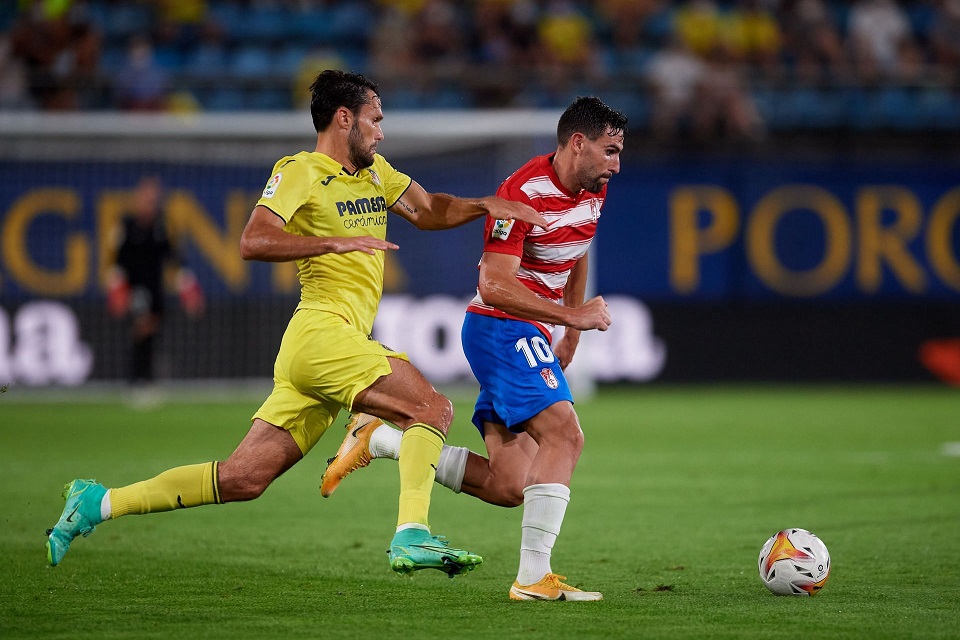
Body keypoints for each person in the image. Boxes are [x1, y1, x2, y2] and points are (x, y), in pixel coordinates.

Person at [45, 70, 548, 577]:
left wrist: (484, 204)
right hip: (321, 332)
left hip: (328, 347)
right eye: (375, 119)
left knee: (243, 479)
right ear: (344, 118)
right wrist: (328, 242)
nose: (381, 131)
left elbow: (427, 209)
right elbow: (253, 240)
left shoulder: (375, 174)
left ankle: (99, 503)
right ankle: (411, 533)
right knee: (431, 408)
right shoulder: (300, 171)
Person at [320, 96, 626, 600]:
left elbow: (576, 251)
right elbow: (493, 285)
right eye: (610, 151)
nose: (617, 163)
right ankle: (532, 578)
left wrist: (570, 333)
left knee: (510, 484)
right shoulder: (522, 191)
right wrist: (573, 316)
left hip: (529, 332)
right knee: (565, 436)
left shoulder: (593, 189)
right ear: (578, 143)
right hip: (500, 328)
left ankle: (380, 440)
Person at [106, 174, 204, 385]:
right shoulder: (127, 225)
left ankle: (143, 379)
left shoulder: (161, 226)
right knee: (142, 327)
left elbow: (174, 259)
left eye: (154, 200)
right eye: (147, 199)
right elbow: (117, 262)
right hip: (135, 288)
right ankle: (138, 379)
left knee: (150, 330)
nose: (151, 204)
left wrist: (188, 288)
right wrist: (117, 289)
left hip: (155, 288)